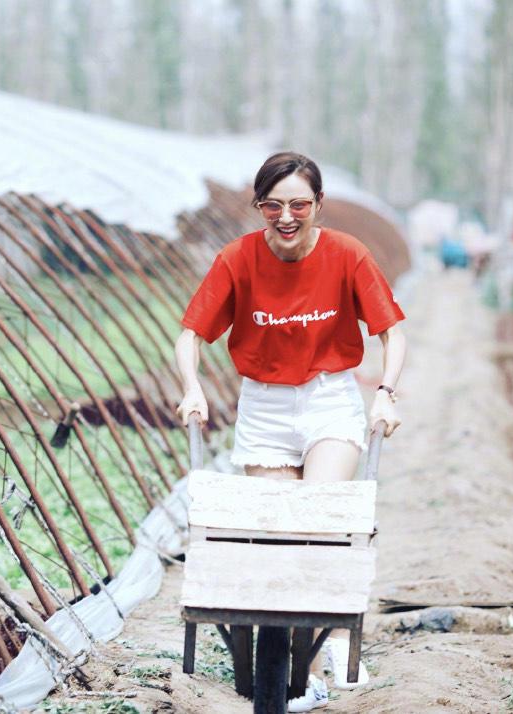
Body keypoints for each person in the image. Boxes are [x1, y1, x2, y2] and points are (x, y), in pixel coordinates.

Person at [175, 151, 407, 712]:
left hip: (329, 399)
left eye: (299, 204)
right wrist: (192, 386)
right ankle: (281, 659)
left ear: (317, 205)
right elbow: (190, 334)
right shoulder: (237, 259)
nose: (286, 216)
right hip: (265, 407)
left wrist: (386, 393)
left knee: (322, 522)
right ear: (259, 207)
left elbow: (391, 331)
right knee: (277, 536)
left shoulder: (347, 255)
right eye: (273, 205)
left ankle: (328, 652)